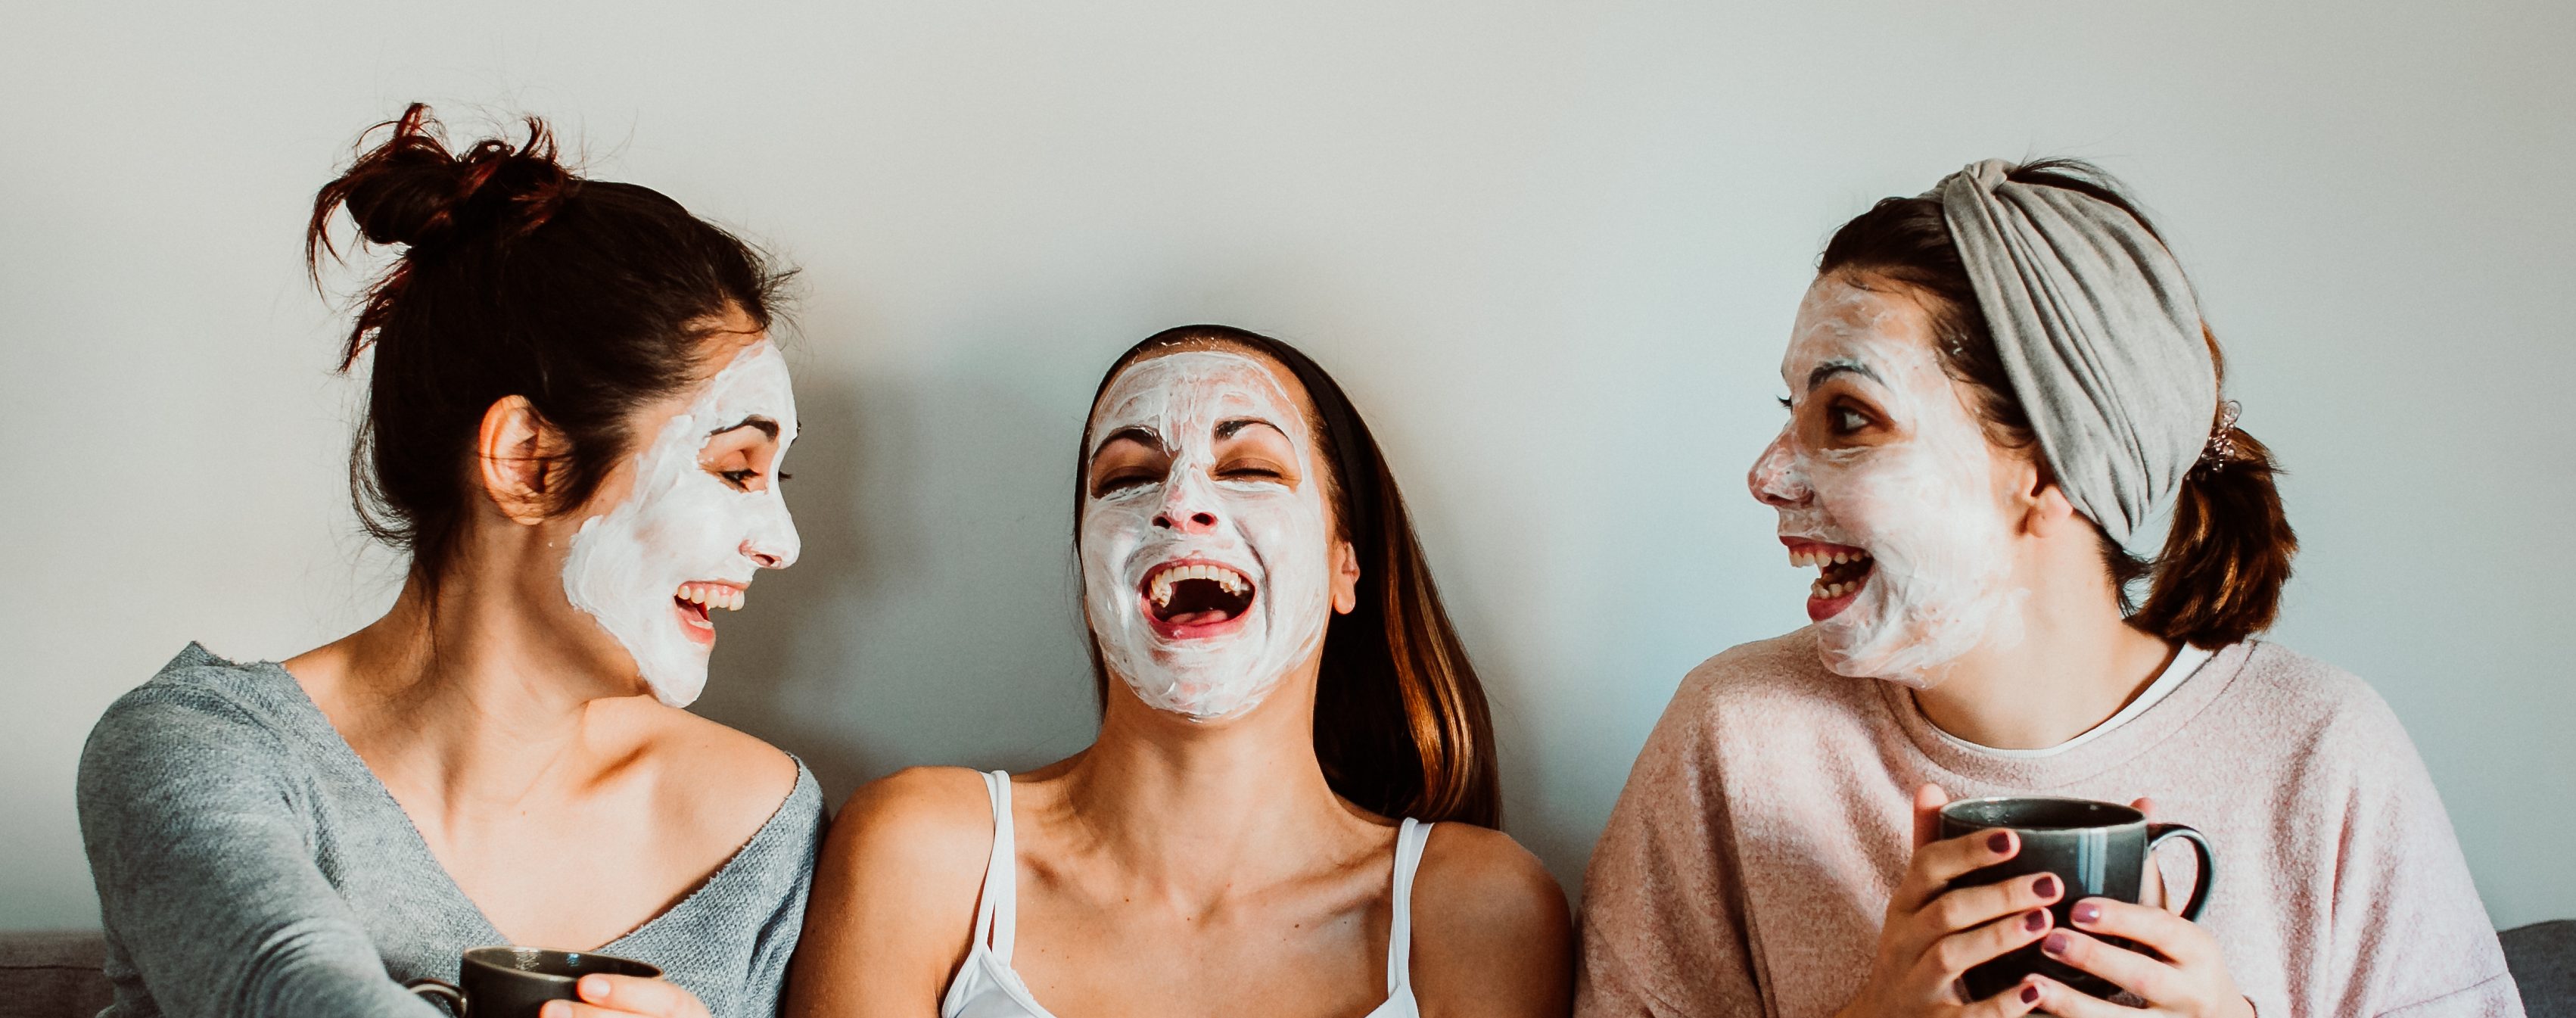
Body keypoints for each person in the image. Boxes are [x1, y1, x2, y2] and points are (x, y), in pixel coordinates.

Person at [1576, 160, 2521, 1017]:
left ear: (2045, 469)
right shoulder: (1733, 734)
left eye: (1849, 416)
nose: (1767, 474)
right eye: (1793, 414)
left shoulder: (2322, 752)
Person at [76, 104, 821, 1018]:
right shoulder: (197, 752)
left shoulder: (762, 827)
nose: (781, 543)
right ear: (527, 463)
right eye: (734, 469)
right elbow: (292, 991)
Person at [786, 325, 1573, 1017]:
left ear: (1344, 570)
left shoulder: (1476, 912)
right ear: (1091, 581)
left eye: (1251, 468)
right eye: (1127, 477)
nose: (1181, 502)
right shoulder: (926, 854)